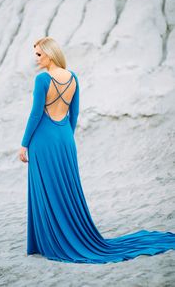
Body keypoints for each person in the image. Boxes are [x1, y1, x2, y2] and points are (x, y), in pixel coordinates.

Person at [19, 37, 175, 264]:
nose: (36, 59)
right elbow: (75, 112)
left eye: (39, 54)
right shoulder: (73, 77)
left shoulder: (42, 79)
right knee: (65, 188)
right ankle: (62, 235)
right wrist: (66, 138)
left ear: (50, 54)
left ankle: (49, 241)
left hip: (43, 140)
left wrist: (24, 143)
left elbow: (35, 114)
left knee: (46, 188)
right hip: (64, 139)